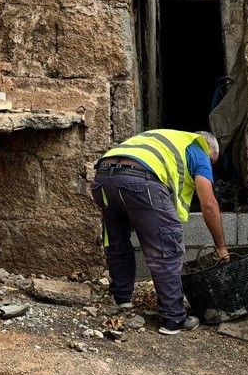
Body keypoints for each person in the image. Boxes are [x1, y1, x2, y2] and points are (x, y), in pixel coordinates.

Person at [89, 129, 230, 335]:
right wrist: (221, 246)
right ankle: (173, 318)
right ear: (209, 149)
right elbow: (208, 204)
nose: (208, 168)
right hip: (139, 179)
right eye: (211, 163)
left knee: (117, 239)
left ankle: (122, 299)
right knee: (166, 247)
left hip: (103, 177)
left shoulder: (162, 139)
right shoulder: (199, 150)